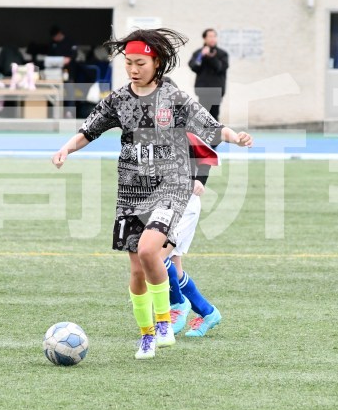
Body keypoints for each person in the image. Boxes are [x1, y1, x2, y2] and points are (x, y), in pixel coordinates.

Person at [52, 28, 253, 360]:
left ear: (156, 62)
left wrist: (237, 137)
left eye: (140, 63)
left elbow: (210, 126)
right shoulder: (118, 100)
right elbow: (89, 130)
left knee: (149, 251)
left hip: (171, 185)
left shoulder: (174, 98)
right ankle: (147, 334)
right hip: (131, 190)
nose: (133, 69)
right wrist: (66, 149)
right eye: (129, 63)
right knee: (136, 270)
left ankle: (164, 322)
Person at [160, 132, 222, 337]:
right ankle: (208, 312)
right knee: (174, 267)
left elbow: (208, 150)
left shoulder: (182, 126)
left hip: (184, 205)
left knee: (155, 256)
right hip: (161, 204)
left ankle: (177, 304)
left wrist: (200, 180)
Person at [188, 28, 229, 120]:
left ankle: (215, 130)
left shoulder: (222, 54)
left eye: (214, 36)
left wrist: (211, 57)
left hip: (216, 90)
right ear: (204, 38)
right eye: (210, 36)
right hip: (202, 89)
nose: (212, 39)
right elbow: (193, 66)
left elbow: (219, 68)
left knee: (214, 117)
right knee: (203, 116)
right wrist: (201, 56)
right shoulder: (198, 53)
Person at [47, 26, 79, 118]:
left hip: (69, 72)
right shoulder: (53, 44)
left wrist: (63, 60)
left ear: (59, 34)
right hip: (55, 73)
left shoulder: (70, 42)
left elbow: (71, 58)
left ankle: (70, 113)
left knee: (70, 92)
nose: (54, 39)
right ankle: (56, 113)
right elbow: (49, 58)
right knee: (56, 93)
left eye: (55, 36)